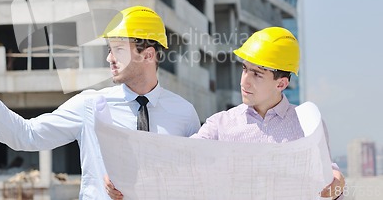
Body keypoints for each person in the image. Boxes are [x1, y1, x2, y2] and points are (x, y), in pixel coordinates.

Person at [0, 5, 201, 200]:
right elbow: (26, 135)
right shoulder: (90, 105)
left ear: (148, 55)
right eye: (109, 50)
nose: (109, 59)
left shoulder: (184, 113)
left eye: (118, 50)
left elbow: (196, 181)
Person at [106, 27, 346, 200]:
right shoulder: (221, 124)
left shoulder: (306, 122)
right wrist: (123, 176)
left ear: (281, 83)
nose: (245, 81)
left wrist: (335, 184)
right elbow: (177, 160)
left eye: (257, 74)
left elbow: (331, 176)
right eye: (244, 69)